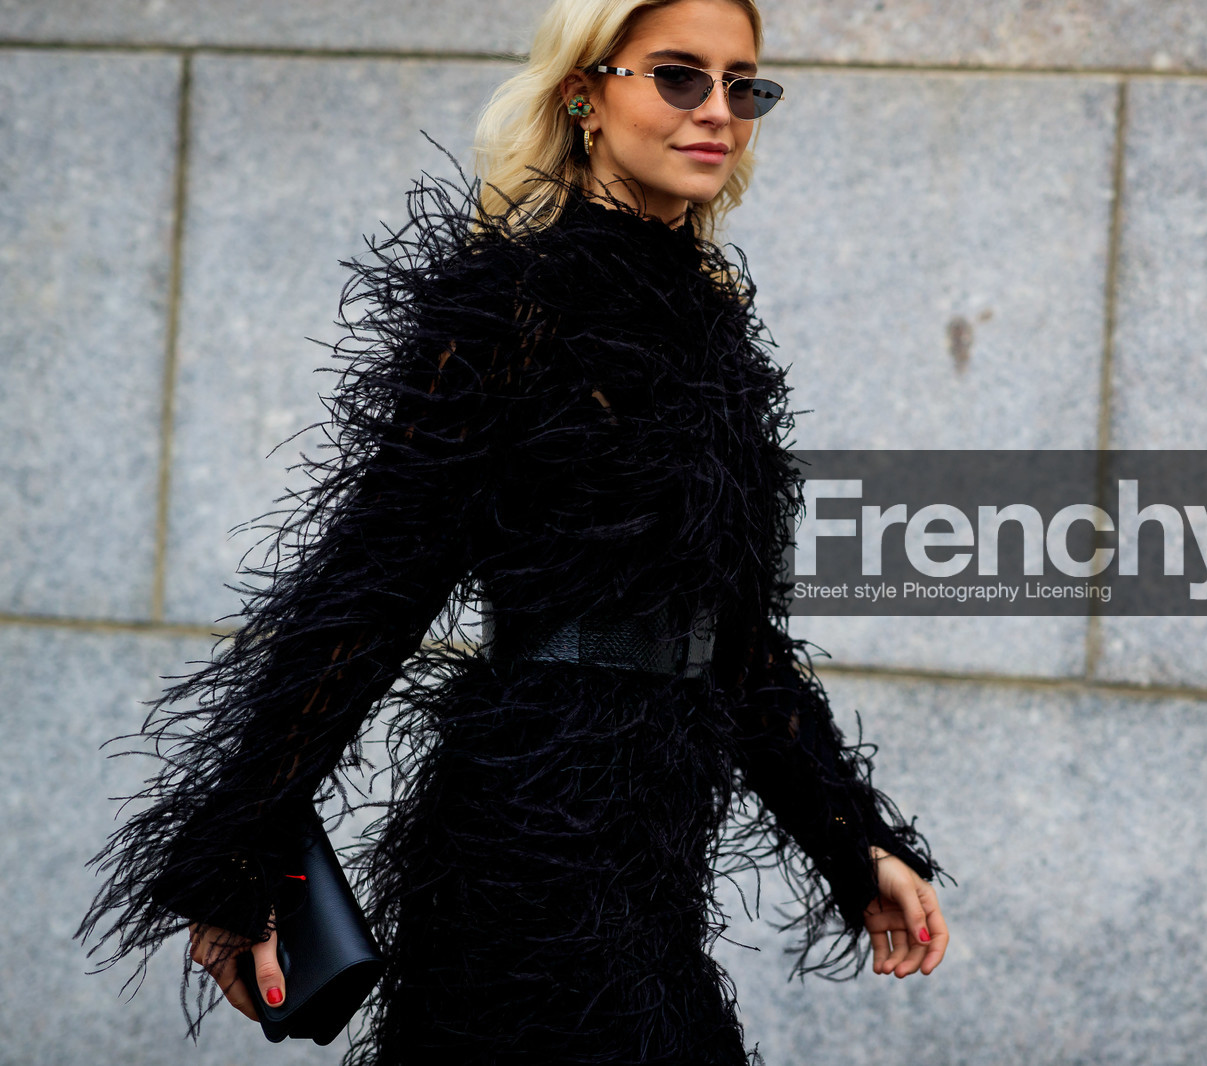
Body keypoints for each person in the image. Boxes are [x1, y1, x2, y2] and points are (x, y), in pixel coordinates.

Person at [77, 0, 950, 1061]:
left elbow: (735, 637)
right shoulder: (509, 305)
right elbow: (369, 590)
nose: (718, 110)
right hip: (529, 833)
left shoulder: (709, 320)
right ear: (584, 93)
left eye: (743, 85)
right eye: (679, 75)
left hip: (649, 844)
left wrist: (852, 842)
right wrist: (239, 854)